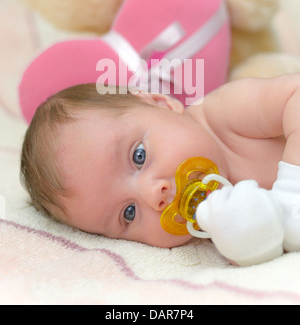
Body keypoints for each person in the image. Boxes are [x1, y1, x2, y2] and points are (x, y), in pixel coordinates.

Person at [20, 74, 300, 266]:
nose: (154, 195)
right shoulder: (211, 228)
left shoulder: (225, 114)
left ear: (161, 103)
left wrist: (292, 188)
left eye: (138, 156)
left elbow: (294, 93)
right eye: (128, 213)